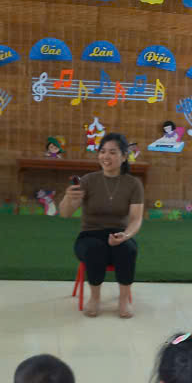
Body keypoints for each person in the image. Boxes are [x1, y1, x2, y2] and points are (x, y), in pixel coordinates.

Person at [60, 131, 143, 319]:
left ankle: (124, 300)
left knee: (128, 249)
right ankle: (95, 298)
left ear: (124, 156)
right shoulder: (88, 180)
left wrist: (125, 235)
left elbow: (136, 219)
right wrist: (68, 198)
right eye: (103, 151)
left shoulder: (133, 184)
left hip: (119, 234)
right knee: (95, 249)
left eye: (113, 152)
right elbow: (65, 213)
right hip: (89, 235)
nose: (106, 156)